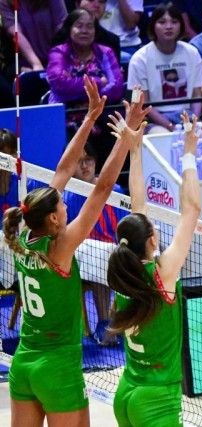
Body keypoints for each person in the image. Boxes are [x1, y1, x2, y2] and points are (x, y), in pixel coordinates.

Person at [3, 75, 148, 427]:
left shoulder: (23, 233)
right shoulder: (61, 246)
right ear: (53, 218)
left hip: (24, 363)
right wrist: (126, 137)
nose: (68, 205)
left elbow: (64, 169)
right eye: (63, 206)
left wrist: (90, 117)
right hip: (58, 367)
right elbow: (103, 188)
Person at [107, 111, 201, 427]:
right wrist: (189, 153)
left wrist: (136, 150)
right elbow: (192, 209)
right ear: (151, 241)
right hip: (156, 400)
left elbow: (138, 207)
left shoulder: (122, 271)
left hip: (127, 392)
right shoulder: (163, 272)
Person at [63, 142, 127, 345]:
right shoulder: (68, 198)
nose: (85, 166)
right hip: (83, 259)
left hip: (115, 253)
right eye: (79, 162)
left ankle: (128, 320)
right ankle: (104, 324)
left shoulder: (115, 190)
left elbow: (125, 227)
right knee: (99, 257)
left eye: (88, 160)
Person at [47, 7, 124, 169]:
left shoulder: (105, 52)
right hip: (67, 115)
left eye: (90, 26)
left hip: (100, 112)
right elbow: (59, 83)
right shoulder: (58, 52)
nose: (84, 31)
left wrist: (79, 90)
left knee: (118, 137)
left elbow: (116, 88)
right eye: (79, 25)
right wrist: (99, 82)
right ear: (69, 28)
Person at [128, 2, 202, 134]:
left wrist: (194, 122)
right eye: (162, 22)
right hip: (154, 119)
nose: (169, 27)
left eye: (174, 22)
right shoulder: (140, 59)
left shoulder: (192, 52)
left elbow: (197, 95)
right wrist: (170, 126)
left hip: (187, 115)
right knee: (162, 136)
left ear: (181, 25)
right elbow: (143, 104)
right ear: (153, 26)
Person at [0, 0, 68, 71]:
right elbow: (17, 34)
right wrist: (36, 64)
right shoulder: (5, 2)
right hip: (25, 59)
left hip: (56, 53)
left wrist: (58, 58)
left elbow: (62, 27)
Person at [52, 0, 122, 62]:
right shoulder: (61, 37)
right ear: (77, 3)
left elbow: (114, 72)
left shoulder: (112, 41)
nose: (97, 5)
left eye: (101, 1)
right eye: (91, 0)